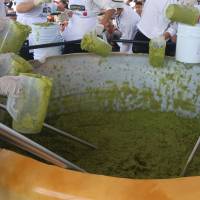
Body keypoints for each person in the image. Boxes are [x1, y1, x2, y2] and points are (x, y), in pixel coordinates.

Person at [132, 0, 198, 56]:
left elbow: (174, 27)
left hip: (160, 42)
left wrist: (162, 38)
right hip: (142, 38)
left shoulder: (179, 4)